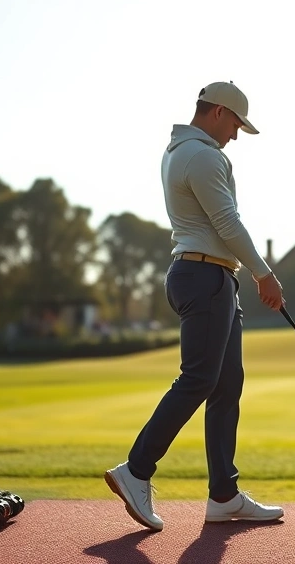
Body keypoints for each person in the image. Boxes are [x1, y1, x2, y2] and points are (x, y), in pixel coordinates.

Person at [105, 81, 285, 531]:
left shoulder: (179, 150)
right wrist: (264, 273)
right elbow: (227, 221)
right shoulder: (203, 155)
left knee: (227, 386)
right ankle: (137, 469)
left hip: (213, 277)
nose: (237, 136)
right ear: (219, 112)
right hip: (205, 276)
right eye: (237, 125)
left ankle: (224, 494)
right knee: (199, 380)